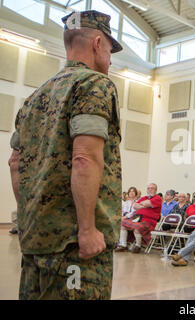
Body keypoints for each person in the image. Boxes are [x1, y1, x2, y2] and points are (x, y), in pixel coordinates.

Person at [8, 10, 122, 300]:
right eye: (110, 49)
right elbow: (84, 157)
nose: (111, 59)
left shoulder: (34, 98)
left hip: (35, 242)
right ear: (97, 43)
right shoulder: (94, 84)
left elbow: (15, 164)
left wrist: (31, 221)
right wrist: (87, 229)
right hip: (74, 247)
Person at [116, 183, 162, 253]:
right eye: (148, 188)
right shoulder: (144, 198)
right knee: (123, 223)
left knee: (137, 227)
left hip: (149, 221)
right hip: (137, 219)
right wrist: (145, 205)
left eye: (152, 188)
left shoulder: (158, 198)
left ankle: (138, 246)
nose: (149, 190)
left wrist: (143, 204)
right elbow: (135, 206)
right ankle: (123, 245)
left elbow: (147, 203)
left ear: (155, 190)